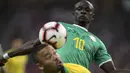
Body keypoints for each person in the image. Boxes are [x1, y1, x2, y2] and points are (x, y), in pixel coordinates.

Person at [0, 0, 124, 73]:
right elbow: (35, 44)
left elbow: (112, 71)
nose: (83, 11)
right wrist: (6, 56)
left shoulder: (98, 43)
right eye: (80, 9)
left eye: (87, 10)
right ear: (74, 13)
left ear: (92, 16)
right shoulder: (60, 28)